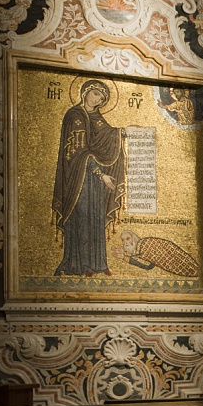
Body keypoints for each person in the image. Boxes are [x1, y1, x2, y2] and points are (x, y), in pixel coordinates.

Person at [52, 79, 126, 277]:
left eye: (101, 98)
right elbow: (79, 152)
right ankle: (78, 264)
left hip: (93, 182)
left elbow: (108, 136)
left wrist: (122, 133)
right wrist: (101, 175)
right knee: (82, 217)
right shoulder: (74, 116)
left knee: (95, 217)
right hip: (77, 179)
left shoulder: (97, 118)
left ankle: (97, 264)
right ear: (85, 92)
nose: (97, 100)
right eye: (95, 94)